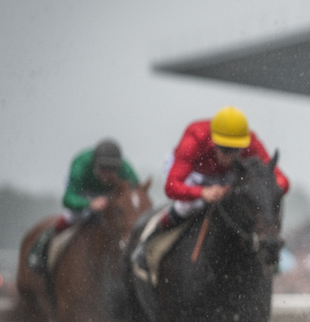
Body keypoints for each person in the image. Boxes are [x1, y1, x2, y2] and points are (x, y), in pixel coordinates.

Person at [131, 106, 289, 269]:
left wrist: (258, 190)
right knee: (186, 206)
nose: (229, 156)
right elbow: (171, 187)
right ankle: (148, 242)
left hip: (227, 176)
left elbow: (283, 182)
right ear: (213, 142)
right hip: (194, 172)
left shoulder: (251, 142)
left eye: (235, 150)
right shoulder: (195, 138)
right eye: (225, 149)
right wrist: (201, 192)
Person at [29, 139, 140, 273]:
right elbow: (68, 199)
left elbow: (137, 194)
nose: (107, 174)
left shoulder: (126, 169)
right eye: (103, 169)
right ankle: (40, 248)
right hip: (84, 194)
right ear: (95, 164)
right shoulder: (81, 165)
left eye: (111, 170)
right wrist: (89, 204)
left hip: (110, 196)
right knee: (71, 217)